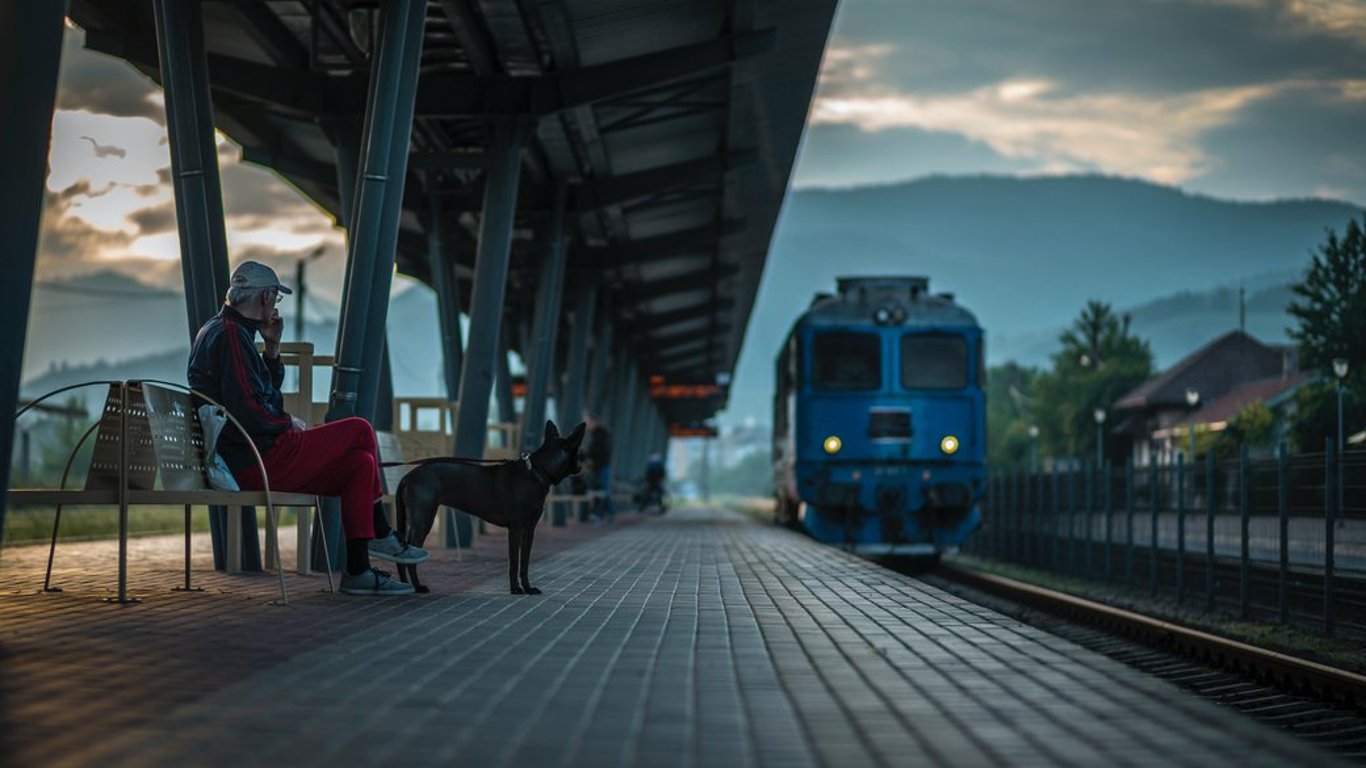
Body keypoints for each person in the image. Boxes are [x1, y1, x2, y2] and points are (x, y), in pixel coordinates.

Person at [187, 260, 426, 596]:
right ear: (266, 297)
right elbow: (252, 411)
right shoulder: (229, 336)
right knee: (359, 429)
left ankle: (358, 572)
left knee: (360, 465)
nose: (275, 305)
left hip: (254, 455)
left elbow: (262, 396)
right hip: (256, 461)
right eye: (275, 299)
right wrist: (289, 425)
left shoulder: (226, 331)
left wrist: (271, 349)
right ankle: (383, 533)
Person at [583, 411, 614, 524]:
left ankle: (600, 515)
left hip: (601, 466)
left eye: (587, 422)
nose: (586, 425)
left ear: (593, 422)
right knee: (602, 492)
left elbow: (599, 451)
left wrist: (589, 457)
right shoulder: (600, 434)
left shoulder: (599, 435)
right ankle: (609, 515)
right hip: (601, 466)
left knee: (601, 492)